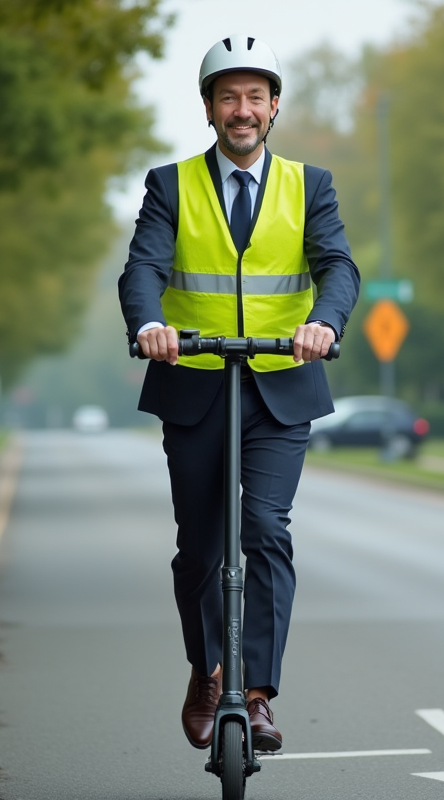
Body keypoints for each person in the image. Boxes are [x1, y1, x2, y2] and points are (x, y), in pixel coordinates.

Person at [118, 35, 360, 753]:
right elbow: (142, 268)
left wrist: (323, 321)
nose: (243, 110)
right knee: (198, 549)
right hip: (194, 386)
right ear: (208, 109)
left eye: (256, 96)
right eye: (229, 97)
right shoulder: (171, 184)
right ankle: (207, 671)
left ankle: (254, 694)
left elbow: (338, 265)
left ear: (275, 106)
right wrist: (150, 323)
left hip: (281, 389)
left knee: (265, 532)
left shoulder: (310, 185)